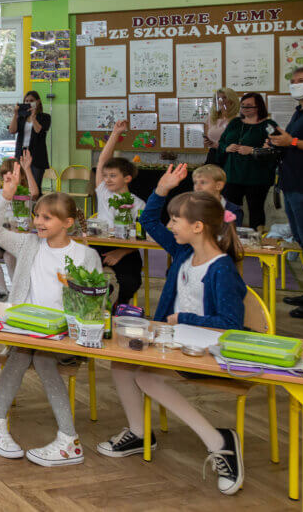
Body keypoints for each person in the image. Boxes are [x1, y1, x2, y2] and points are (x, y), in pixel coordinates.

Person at [100, 163, 245, 495]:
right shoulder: (183, 251)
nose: (170, 226)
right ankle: (139, 434)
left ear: (197, 226)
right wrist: (161, 190)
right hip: (177, 340)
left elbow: (231, 325)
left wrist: (184, 319)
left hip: (208, 349)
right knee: (121, 362)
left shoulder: (221, 268)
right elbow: (149, 221)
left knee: (147, 377)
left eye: (176, 220)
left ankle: (219, 442)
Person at [0, 163, 99, 467]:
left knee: (40, 359)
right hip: (25, 328)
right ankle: (1, 426)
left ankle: (66, 439)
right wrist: (6, 196)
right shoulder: (29, 243)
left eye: (47, 217)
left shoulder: (86, 255)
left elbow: (94, 304)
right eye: (37, 215)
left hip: (63, 335)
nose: (38, 221)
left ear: (67, 223)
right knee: (22, 354)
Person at [269, 66, 303, 318]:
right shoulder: (299, 111)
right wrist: (278, 142)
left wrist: (291, 141)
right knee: (302, 241)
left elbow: (296, 143)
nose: (296, 85)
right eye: (293, 81)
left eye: (302, 80)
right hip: (292, 183)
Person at [95, 119, 145, 308]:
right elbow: (102, 161)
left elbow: (142, 236)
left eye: (113, 176)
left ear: (127, 178)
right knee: (84, 269)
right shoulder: (103, 192)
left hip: (126, 247)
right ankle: (103, 290)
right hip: (99, 244)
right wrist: (115, 133)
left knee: (131, 280)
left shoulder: (138, 204)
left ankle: (121, 304)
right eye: (105, 176)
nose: (107, 180)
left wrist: (122, 252)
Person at [0, 153, 39, 302]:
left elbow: (35, 193)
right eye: (4, 173)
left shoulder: (24, 193)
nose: (8, 175)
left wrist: (27, 169)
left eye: (11, 172)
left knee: (9, 256)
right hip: (0, 236)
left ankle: (18, 292)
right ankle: (2, 291)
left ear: (20, 176)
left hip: (18, 238)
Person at [216, 92, 279, 231]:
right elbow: (221, 143)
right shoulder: (235, 123)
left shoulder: (268, 125)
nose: (245, 109)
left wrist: (252, 150)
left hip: (257, 177)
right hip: (232, 175)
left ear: (259, 107)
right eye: (243, 106)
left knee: (256, 211)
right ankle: (230, 238)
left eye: (249, 106)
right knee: (230, 211)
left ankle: (256, 240)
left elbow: (276, 149)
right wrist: (227, 148)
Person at [9, 91, 51, 191]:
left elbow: (38, 130)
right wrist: (15, 114)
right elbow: (12, 130)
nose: (28, 103)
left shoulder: (45, 117)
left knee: (35, 186)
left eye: (31, 100)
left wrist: (33, 117)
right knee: (20, 186)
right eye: (26, 101)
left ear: (38, 102)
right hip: (21, 154)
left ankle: (35, 202)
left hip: (36, 156)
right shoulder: (21, 118)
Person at [204, 88, 240, 165]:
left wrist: (217, 146)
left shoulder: (238, 119)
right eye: (218, 98)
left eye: (224, 97)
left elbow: (239, 141)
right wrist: (208, 142)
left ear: (232, 100)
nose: (221, 101)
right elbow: (208, 137)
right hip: (214, 155)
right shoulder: (211, 118)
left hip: (231, 156)